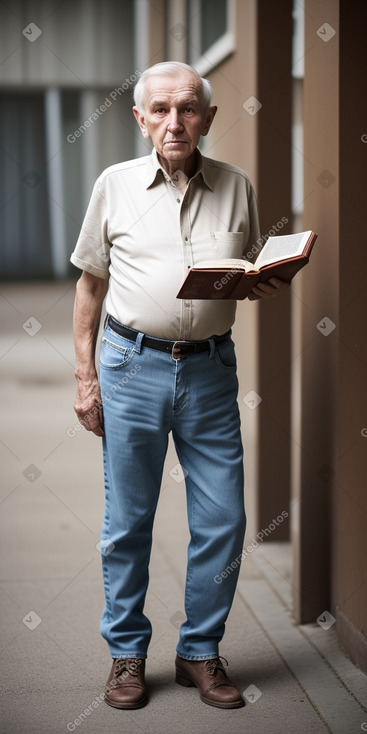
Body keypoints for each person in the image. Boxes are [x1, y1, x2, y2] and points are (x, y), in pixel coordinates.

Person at [71, 61, 289, 711]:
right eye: (161, 110)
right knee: (127, 523)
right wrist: (85, 379)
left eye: (188, 109)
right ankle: (126, 657)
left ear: (208, 119)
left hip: (209, 371)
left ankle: (200, 651)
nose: (175, 122)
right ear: (139, 119)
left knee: (223, 518)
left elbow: (241, 272)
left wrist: (260, 280)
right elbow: (90, 285)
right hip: (130, 365)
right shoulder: (113, 187)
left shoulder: (236, 187)